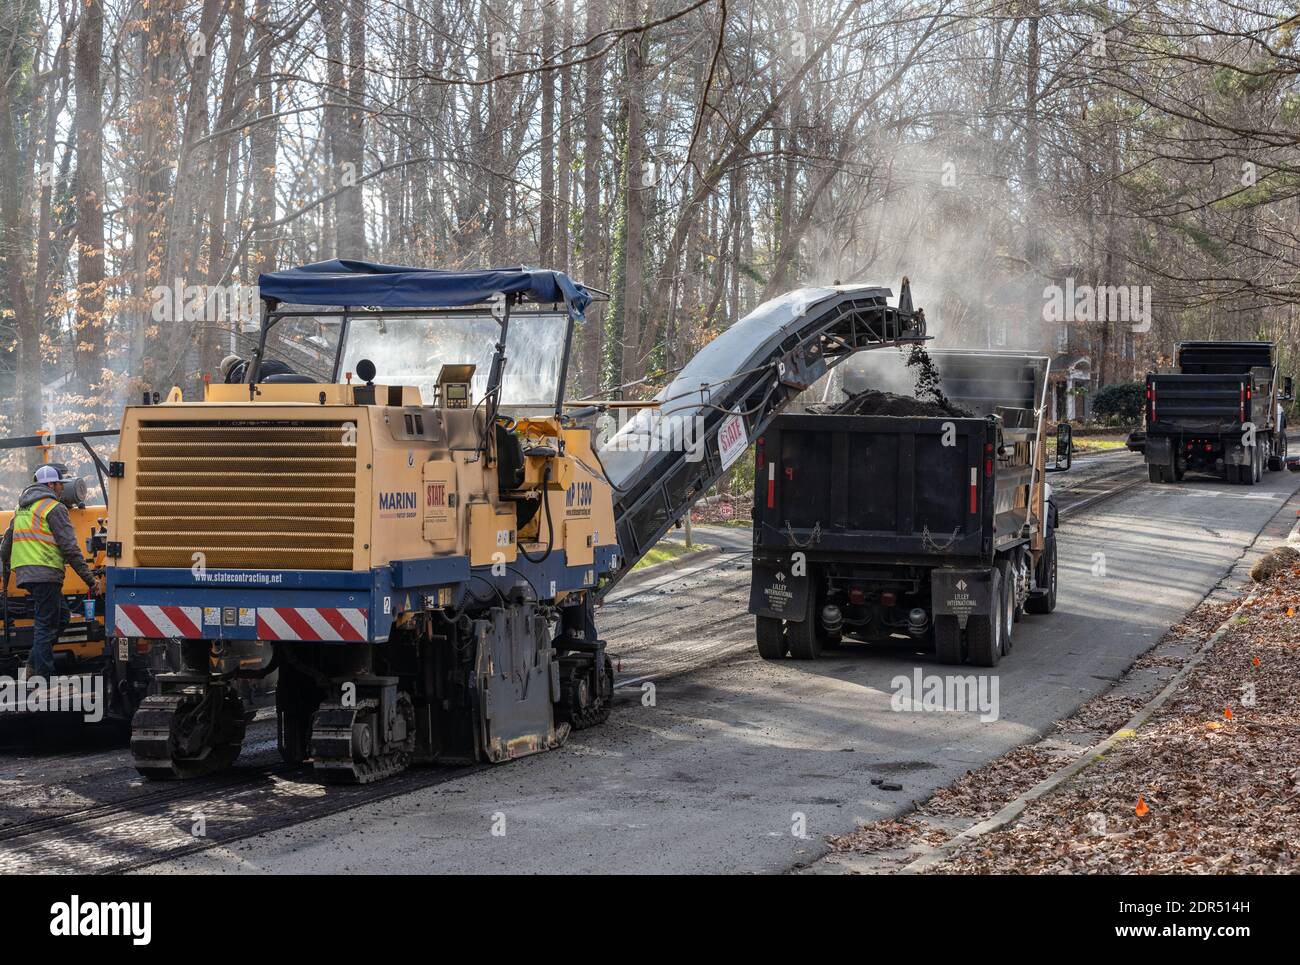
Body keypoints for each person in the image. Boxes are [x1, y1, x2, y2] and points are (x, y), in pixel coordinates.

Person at [0, 464, 102, 677]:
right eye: (59, 485)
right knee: (46, 625)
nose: (61, 490)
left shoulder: (22, 509)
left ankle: (32, 663)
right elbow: (71, 549)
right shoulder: (54, 508)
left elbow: (5, 546)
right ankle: (42, 676)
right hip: (45, 573)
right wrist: (90, 580)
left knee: (62, 617)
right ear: (50, 484)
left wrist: (7, 573)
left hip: (27, 575)